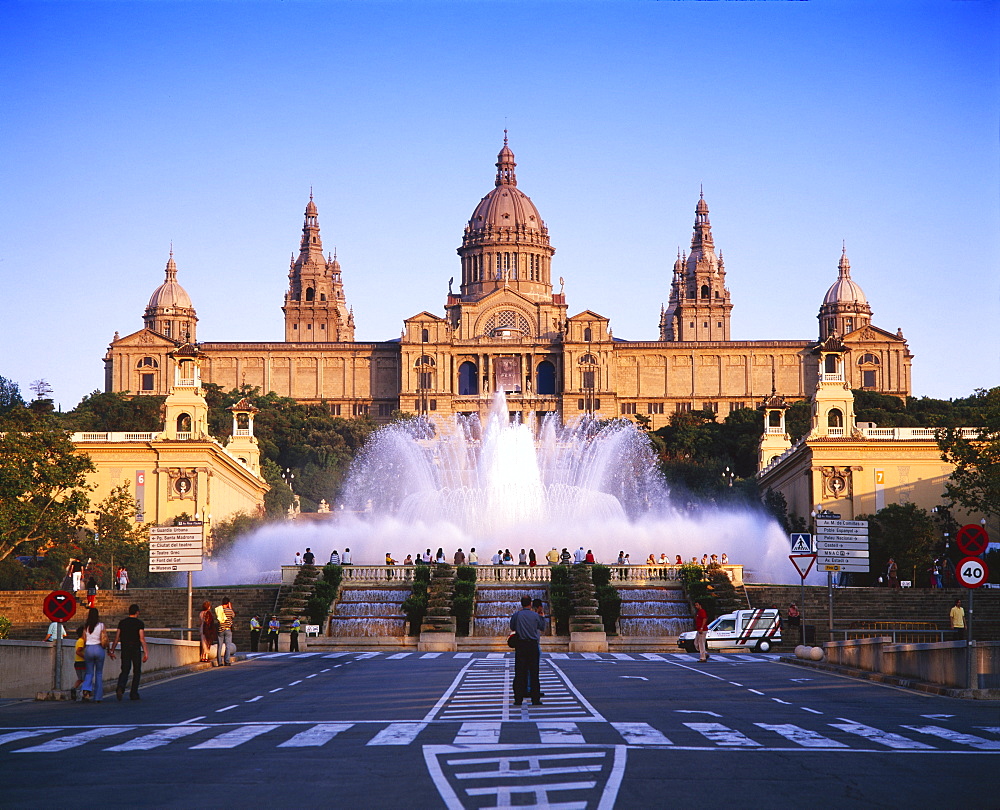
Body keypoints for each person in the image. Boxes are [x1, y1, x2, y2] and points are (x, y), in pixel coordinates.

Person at [510, 595, 546, 706]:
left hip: (521, 645)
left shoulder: (516, 615)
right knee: (534, 672)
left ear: (521, 603)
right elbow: (542, 627)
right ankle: (535, 699)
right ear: (530, 603)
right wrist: (542, 616)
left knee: (520, 672)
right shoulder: (535, 616)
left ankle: (518, 699)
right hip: (532, 646)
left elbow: (512, 627)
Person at [109, 603, 148, 701]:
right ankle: (133, 693)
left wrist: (112, 649)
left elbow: (117, 637)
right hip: (135, 648)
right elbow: (142, 639)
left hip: (125, 648)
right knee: (136, 671)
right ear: (137, 612)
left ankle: (120, 686)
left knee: (125, 669)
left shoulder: (122, 623)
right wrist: (146, 652)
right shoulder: (139, 623)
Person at [79, 607, 108, 701]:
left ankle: (86, 688)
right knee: (99, 673)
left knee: (89, 672)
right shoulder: (101, 625)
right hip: (98, 648)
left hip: (88, 649)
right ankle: (98, 697)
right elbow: (104, 638)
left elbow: (84, 639)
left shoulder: (86, 626)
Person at [215, 597, 235, 667]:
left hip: (220, 629)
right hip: (227, 629)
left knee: (219, 646)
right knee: (228, 646)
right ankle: (227, 661)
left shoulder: (219, 610)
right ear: (228, 603)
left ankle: (219, 662)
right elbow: (233, 616)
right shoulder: (229, 611)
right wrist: (230, 607)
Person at [72, 625, 86, 697]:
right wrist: (85, 657)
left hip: (77, 662)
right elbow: (78, 651)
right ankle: (83, 693)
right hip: (82, 662)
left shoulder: (78, 641)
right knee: (84, 679)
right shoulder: (82, 641)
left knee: (80, 679)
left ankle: (74, 689)